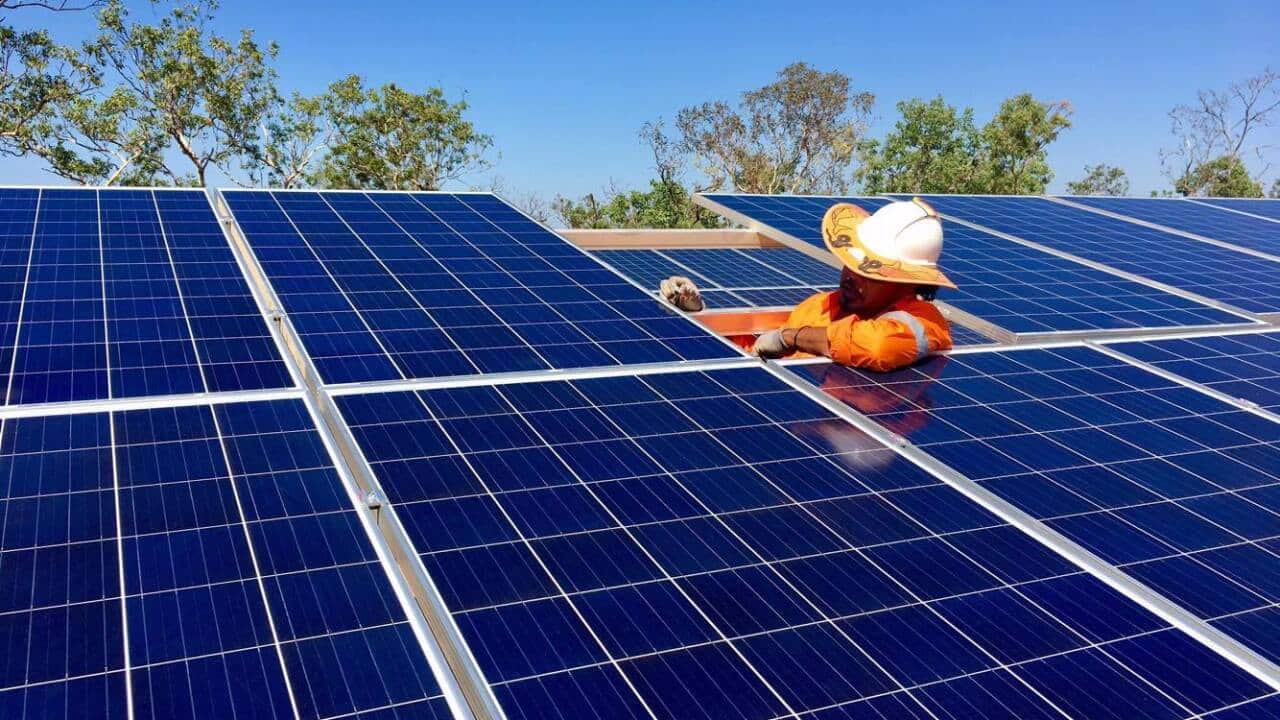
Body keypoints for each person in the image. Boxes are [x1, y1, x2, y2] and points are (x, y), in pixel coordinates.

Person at [661, 198, 955, 372]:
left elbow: (879, 345)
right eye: (850, 264)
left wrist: (793, 337)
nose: (851, 277)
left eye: (868, 271)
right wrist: (697, 316)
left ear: (905, 282)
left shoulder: (924, 322)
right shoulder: (820, 306)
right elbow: (757, 350)